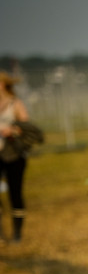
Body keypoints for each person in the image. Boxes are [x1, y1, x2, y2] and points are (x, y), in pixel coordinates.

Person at [0, 72, 32, 243]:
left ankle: (17, 233)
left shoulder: (15, 104)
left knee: (15, 193)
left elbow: (26, 127)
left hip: (14, 154)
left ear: (2, 85)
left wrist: (11, 130)